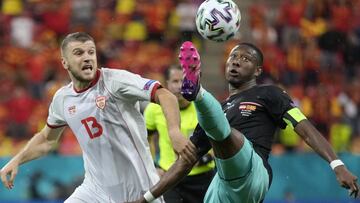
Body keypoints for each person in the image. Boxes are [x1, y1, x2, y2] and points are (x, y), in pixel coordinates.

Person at [129, 41, 359, 203]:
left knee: (226, 133)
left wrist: (337, 165)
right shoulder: (218, 111)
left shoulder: (269, 94)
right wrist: (146, 198)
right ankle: (197, 93)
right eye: (233, 57)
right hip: (222, 186)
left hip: (253, 172)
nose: (236, 62)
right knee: (217, 128)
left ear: (257, 70)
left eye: (245, 59)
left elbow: (306, 129)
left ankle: (197, 92)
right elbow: (184, 163)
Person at [0, 32, 197, 203]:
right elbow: (46, 139)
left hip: (139, 189)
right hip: (95, 190)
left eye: (91, 52)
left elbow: (165, 95)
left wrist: (174, 131)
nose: (87, 57)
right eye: (79, 53)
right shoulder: (62, 98)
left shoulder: (115, 81)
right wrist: (17, 159)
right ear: (64, 62)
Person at [144, 65, 215, 203]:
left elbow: (218, 139)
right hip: (170, 179)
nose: (180, 86)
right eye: (175, 81)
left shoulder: (203, 106)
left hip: (202, 179)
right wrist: (153, 166)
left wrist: (204, 158)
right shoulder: (153, 109)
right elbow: (145, 139)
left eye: (183, 81)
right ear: (166, 84)